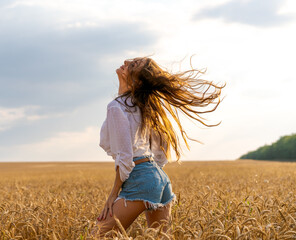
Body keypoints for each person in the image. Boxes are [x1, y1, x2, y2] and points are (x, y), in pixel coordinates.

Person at [91, 57, 225, 237]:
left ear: (137, 81)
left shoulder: (116, 107)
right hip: (160, 179)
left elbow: (124, 156)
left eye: (132, 65)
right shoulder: (143, 107)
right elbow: (161, 152)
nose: (126, 61)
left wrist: (112, 195)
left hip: (139, 178)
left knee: (96, 236)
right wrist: (152, 175)